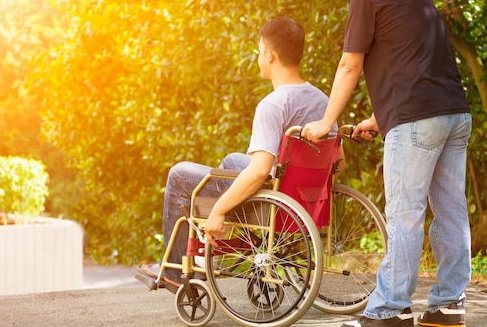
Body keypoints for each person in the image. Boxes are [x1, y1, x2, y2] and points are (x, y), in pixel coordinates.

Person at [301, 0, 472, 327]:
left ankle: (389, 311)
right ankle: (449, 305)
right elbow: (418, 65)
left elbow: (349, 65)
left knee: (405, 215)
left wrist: (328, 120)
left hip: (417, 123)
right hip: (454, 114)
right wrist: (379, 117)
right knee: (451, 212)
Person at [136, 17, 338, 291]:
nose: (258, 57)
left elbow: (259, 170)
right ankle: (204, 251)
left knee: (179, 174)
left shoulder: (273, 105)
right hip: (306, 199)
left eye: (259, 51)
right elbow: (338, 162)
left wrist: (218, 211)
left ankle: (174, 267)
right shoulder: (323, 101)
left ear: (269, 55)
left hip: (276, 199)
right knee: (232, 160)